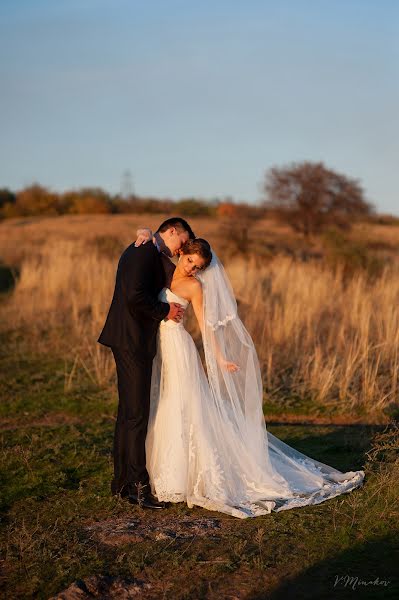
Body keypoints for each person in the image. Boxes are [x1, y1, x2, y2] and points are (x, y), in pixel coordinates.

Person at [136, 232, 365, 518]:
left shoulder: (195, 287)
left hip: (178, 346)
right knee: (165, 403)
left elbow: (207, 326)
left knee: (183, 403)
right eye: (191, 261)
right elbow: (153, 247)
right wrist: (145, 232)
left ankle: (186, 478)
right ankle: (167, 475)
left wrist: (219, 358)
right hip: (159, 345)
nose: (192, 269)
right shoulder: (166, 270)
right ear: (183, 253)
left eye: (197, 267)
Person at [98, 217, 195, 509]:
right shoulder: (143, 252)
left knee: (128, 414)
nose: (182, 248)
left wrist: (147, 233)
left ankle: (122, 484)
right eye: (183, 240)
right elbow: (134, 296)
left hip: (130, 339)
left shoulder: (149, 248)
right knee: (137, 415)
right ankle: (140, 490)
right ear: (173, 231)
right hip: (131, 341)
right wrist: (165, 310)